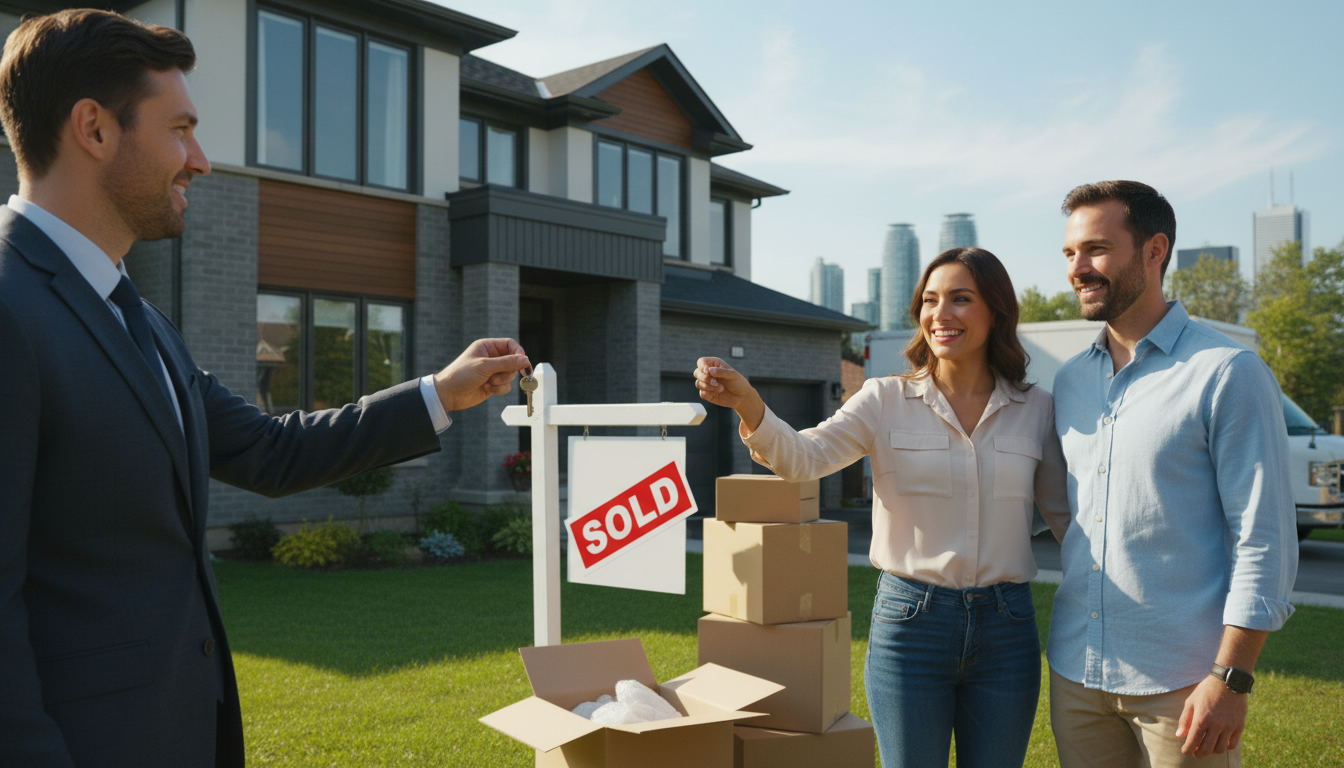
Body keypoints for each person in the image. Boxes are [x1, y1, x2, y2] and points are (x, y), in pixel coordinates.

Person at [0, 10, 530, 767]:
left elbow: (267, 451)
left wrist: (441, 393)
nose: (201, 159)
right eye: (180, 128)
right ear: (93, 129)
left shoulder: (139, 319)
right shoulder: (9, 310)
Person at [696, 247, 1070, 767]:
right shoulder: (883, 399)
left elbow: (1067, 520)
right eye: (931, 300)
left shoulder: (1039, 408)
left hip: (1007, 628)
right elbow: (804, 459)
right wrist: (748, 403)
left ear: (997, 310)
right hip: (911, 626)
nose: (942, 314)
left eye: (961, 299)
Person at [1048, 180, 1298, 767]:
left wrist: (1231, 680)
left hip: (1186, 686)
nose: (1077, 268)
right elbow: (1075, 513)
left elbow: (1263, 536)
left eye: (1096, 250)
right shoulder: (1069, 382)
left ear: (1155, 250)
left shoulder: (1227, 373)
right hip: (1077, 673)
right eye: (1069, 254)